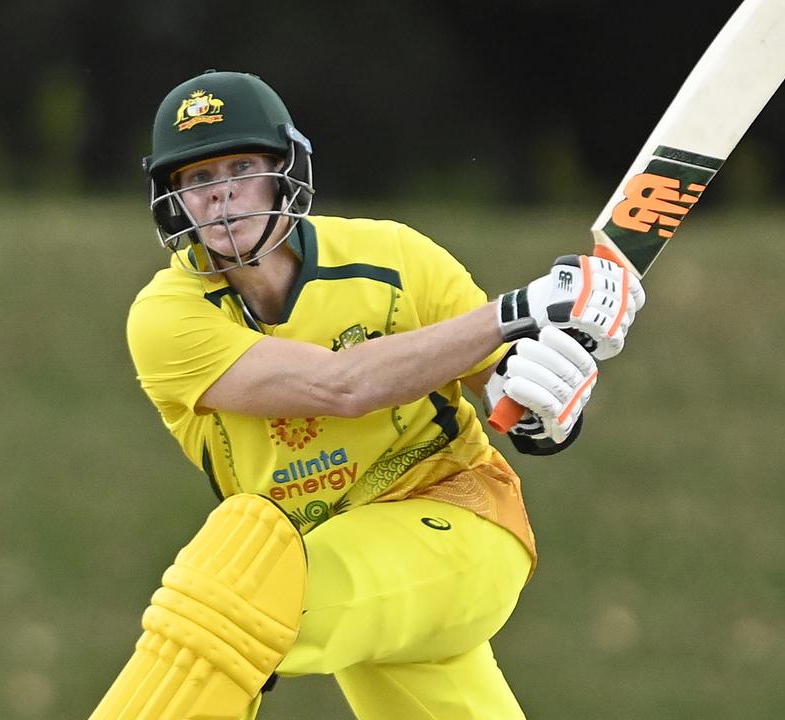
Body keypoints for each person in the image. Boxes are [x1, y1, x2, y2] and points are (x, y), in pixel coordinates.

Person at [89, 69, 644, 720]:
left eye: (240, 166)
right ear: (173, 199)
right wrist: (517, 311)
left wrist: (549, 400)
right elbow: (339, 386)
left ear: (283, 169)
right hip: (338, 556)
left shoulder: (397, 260)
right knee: (250, 550)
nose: (223, 196)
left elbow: (511, 397)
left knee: (237, 585)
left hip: (460, 526)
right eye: (198, 180)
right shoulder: (166, 319)